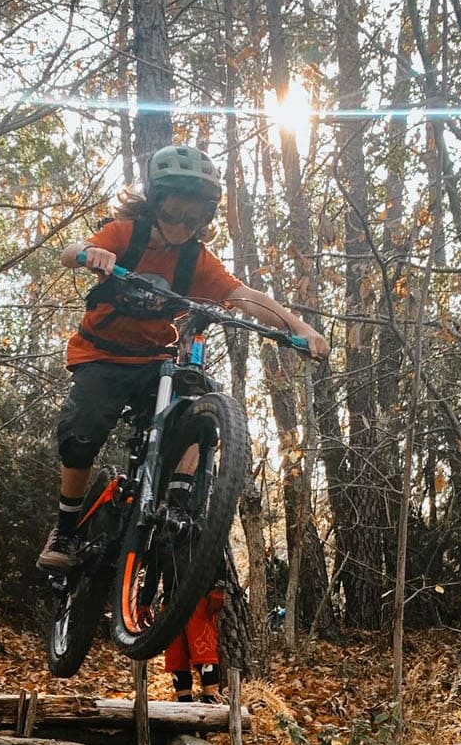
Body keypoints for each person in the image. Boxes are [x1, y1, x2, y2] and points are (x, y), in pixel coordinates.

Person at [38, 144, 328, 570]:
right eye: (173, 214)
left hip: (156, 360)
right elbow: (70, 252)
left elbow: (243, 296)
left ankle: (176, 498)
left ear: (205, 219)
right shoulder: (125, 234)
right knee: (82, 431)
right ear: (155, 204)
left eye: (192, 218)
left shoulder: (197, 259)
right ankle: (64, 529)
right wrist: (90, 254)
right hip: (101, 355)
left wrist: (298, 327)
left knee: (196, 400)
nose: (181, 225)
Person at [167, 585, 226, 702]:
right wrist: (145, 602)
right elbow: (154, 568)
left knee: (205, 657)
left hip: (199, 597)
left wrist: (218, 588)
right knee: (177, 661)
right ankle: (184, 710)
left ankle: (212, 707)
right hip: (170, 600)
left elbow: (217, 565)